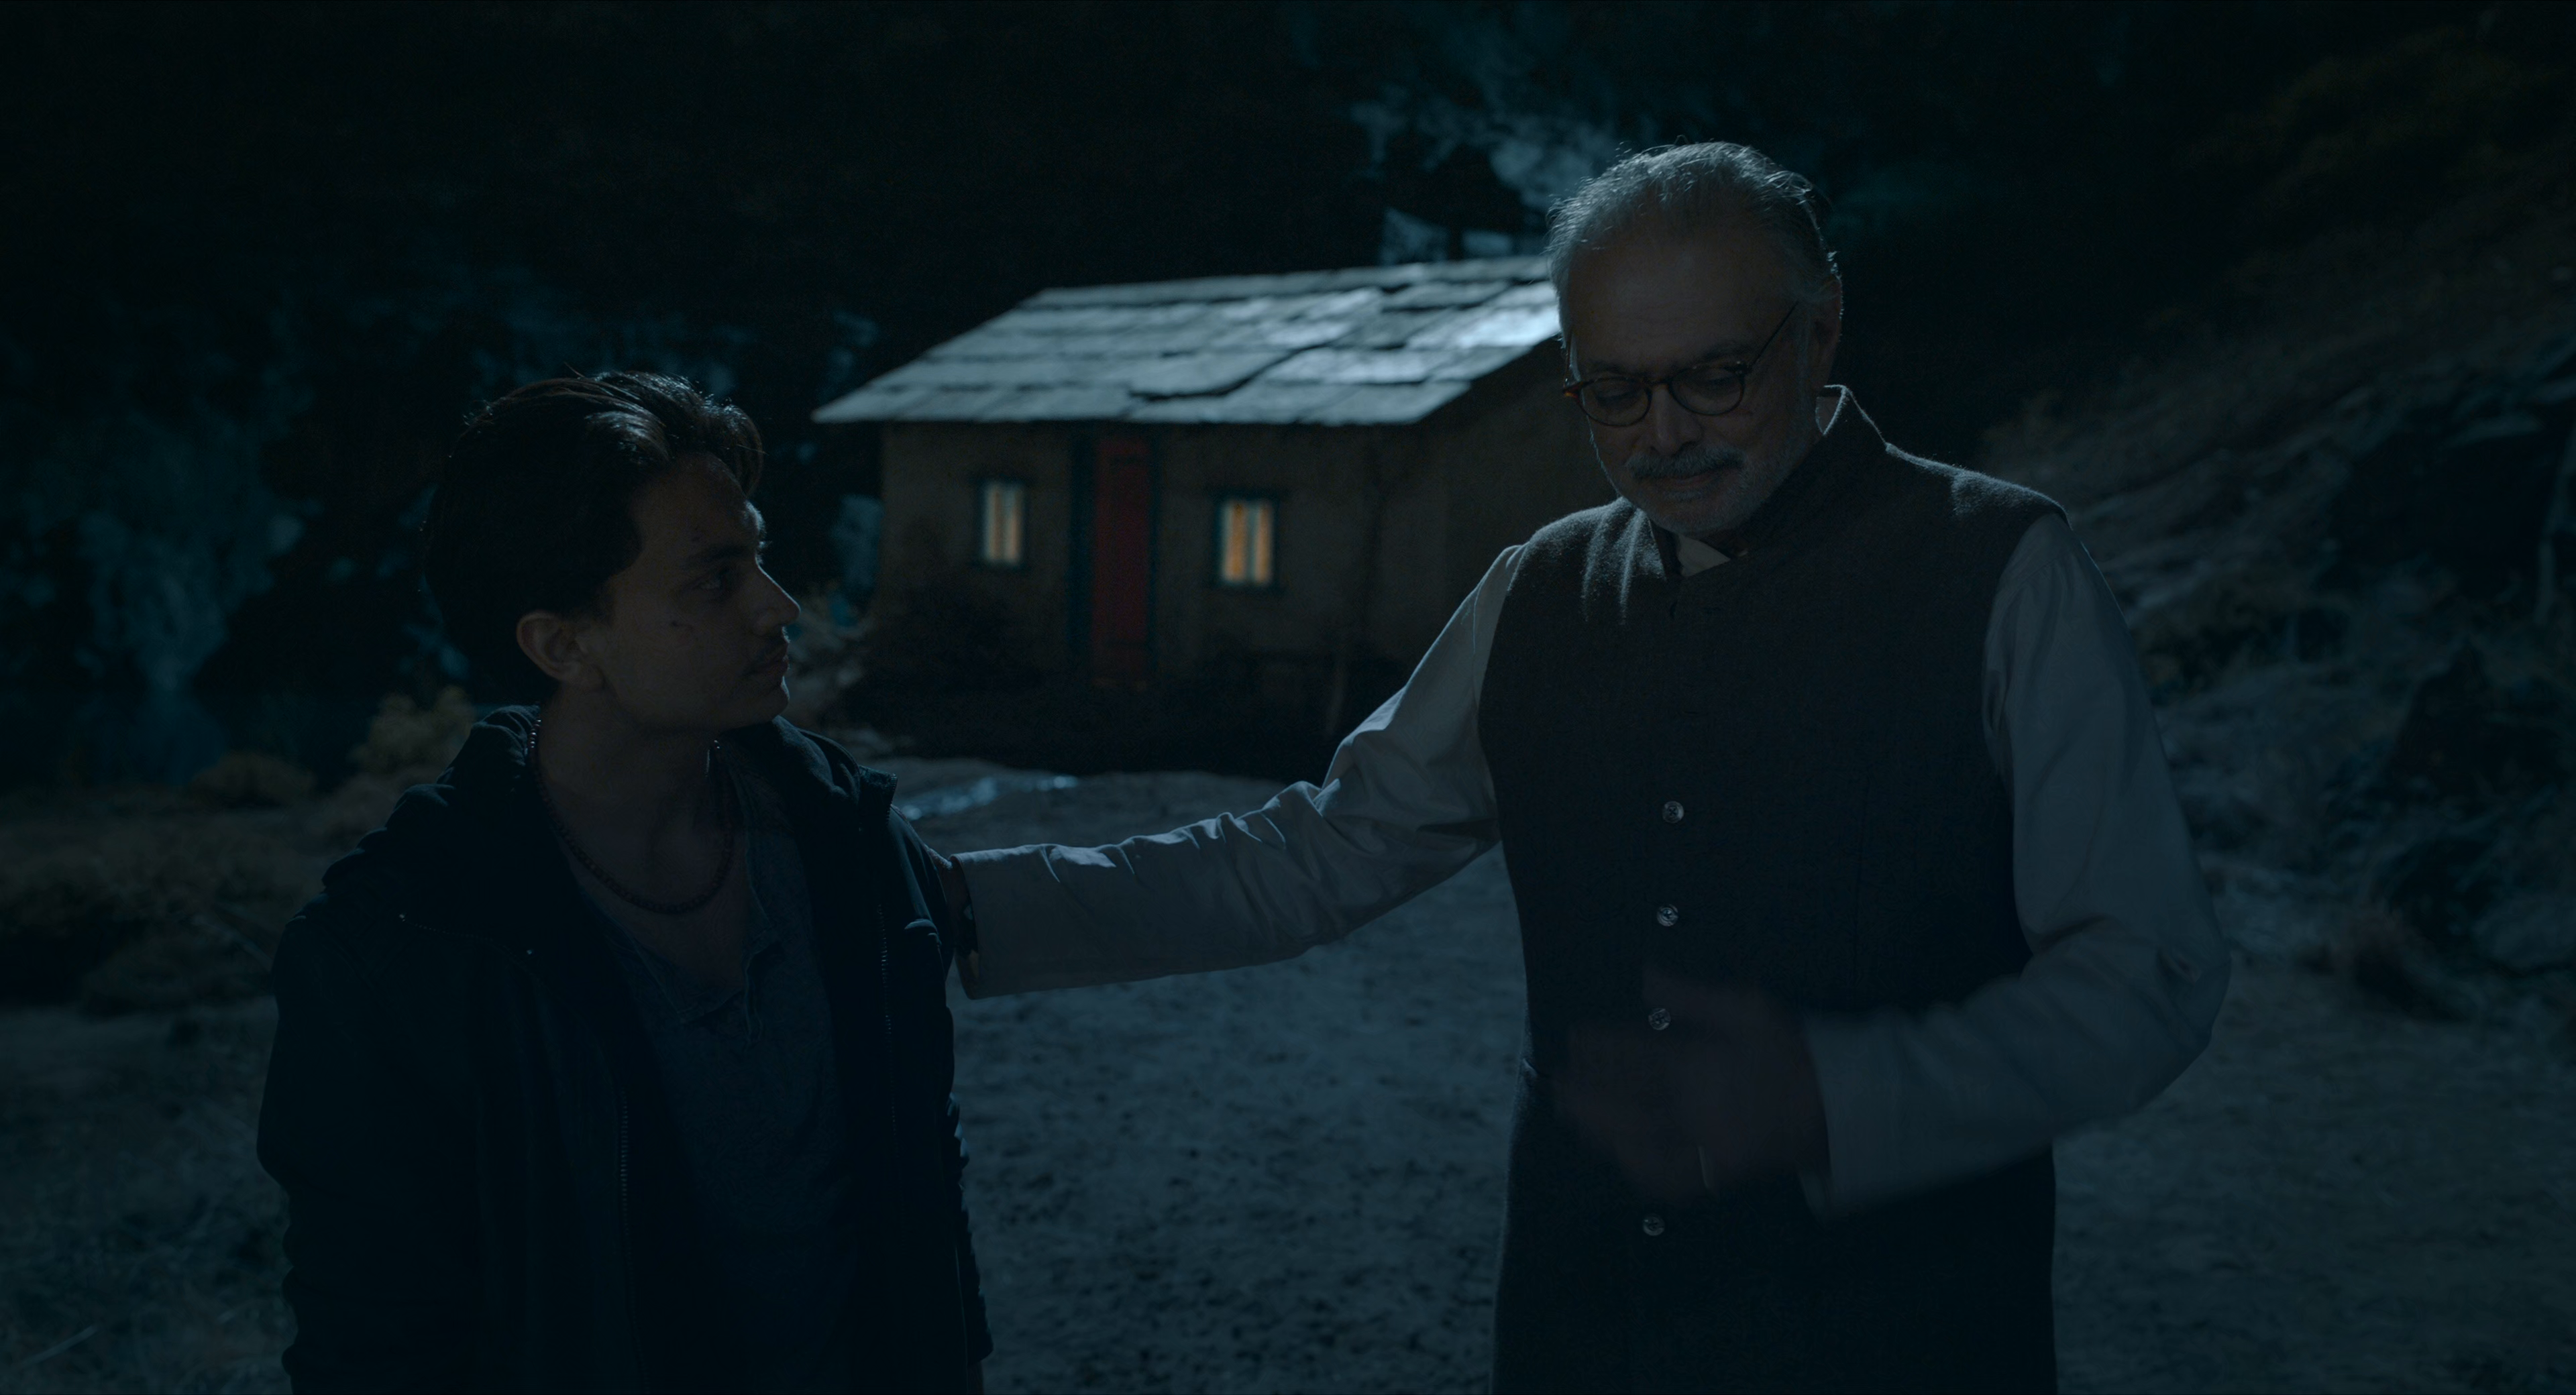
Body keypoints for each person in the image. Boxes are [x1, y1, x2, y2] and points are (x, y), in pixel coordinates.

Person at [937, 142, 2229, 1392]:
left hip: (1901, 1340)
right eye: (1613, 391)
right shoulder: (1537, 588)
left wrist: (1844, 1101)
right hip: (1580, 1325)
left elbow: (2149, 976)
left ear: (1823, 329)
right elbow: (1318, 852)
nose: (1663, 434)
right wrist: (958, 905)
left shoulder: (2007, 571)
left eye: (1714, 376)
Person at [258, 373, 989, 1393]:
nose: (778, 607)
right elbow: (377, 1343)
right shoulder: (402, 957)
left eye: (759, 557)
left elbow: (918, 1169)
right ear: (563, 644)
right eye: (714, 580)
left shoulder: (842, 836)